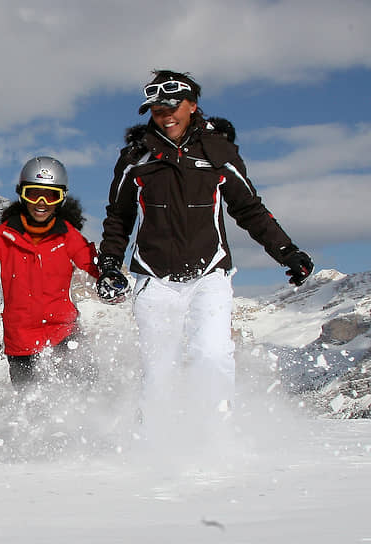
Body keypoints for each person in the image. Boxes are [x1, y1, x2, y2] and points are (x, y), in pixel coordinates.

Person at [96, 70, 314, 432]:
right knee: (158, 369)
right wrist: (109, 265)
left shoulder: (218, 153)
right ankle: (153, 442)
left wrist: (287, 252)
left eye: (172, 105)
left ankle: (216, 439)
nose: (165, 114)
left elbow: (249, 209)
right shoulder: (137, 157)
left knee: (212, 357)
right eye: (156, 108)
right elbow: (118, 217)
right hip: (154, 279)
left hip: (209, 273)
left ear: (192, 105)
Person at [0, 156, 100, 390]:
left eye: (51, 196)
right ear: (22, 194)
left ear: (61, 198)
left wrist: (110, 278)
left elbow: (93, 270)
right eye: (33, 194)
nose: (41, 203)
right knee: (33, 413)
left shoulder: (68, 236)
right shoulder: (5, 237)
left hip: (65, 335)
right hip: (21, 345)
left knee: (86, 395)